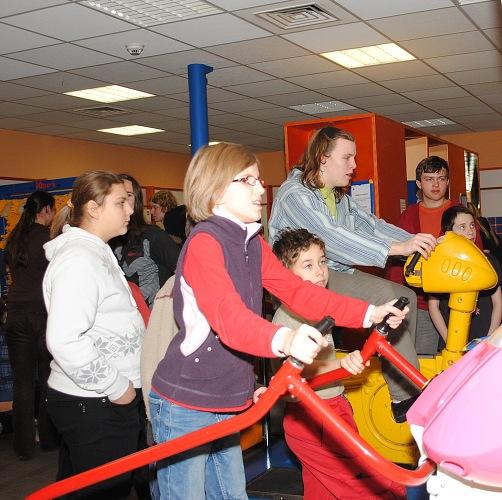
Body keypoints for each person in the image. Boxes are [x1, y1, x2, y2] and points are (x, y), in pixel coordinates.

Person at [149, 142, 408, 500]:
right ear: (215, 189)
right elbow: (228, 317)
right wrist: (285, 339)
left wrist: (368, 313)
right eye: (248, 180)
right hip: (185, 402)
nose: (260, 189)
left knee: (231, 496)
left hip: (225, 398)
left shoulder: (251, 243)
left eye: (259, 180)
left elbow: (299, 292)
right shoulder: (205, 243)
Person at [269, 126, 436, 423]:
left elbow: (372, 226)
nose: (354, 165)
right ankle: (405, 396)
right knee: (388, 297)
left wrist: (416, 241)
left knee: (406, 297)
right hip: (301, 281)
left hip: (329, 271)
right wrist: (397, 248)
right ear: (323, 158)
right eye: (347, 158)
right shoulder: (295, 194)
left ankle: (407, 377)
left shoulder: (338, 197)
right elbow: (331, 237)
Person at [269, 227, 405, 499]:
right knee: (374, 486)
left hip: (335, 406)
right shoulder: (286, 320)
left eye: (322, 262)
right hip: (311, 418)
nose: (320, 271)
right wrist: (344, 365)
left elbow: (357, 313)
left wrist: (381, 316)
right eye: (308, 265)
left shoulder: (320, 307)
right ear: (286, 275)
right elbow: (297, 373)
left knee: (323, 492)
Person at [44, 171, 145, 499]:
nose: (130, 209)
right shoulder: (78, 259)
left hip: (100, 400)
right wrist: (117, 387)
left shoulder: (95, 251)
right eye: (120, 203)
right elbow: (64, 339)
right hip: (95, 400)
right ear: (93, 209)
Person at [388, 156, 477, 355]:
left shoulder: (461, 213)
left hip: (458, 303)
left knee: (461, 359)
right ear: (419, 183)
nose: (436, 185)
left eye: (441, 179)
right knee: (425, 358)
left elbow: (476, 255)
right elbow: (396, 265)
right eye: (429, 179)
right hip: (421, 303)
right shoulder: (408, 217)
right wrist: (396, 298)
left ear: (447, 182)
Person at [3, 190, 58, 460]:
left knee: (22, 383)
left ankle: (23, 447)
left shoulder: (14, 238)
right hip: (41, 314)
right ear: (45, 210)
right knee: (47, 379)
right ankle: (48, 439)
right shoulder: (48, 239)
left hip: (15, 315)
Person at [429, 205, 502, 348]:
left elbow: (498, 303)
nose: (470, 231)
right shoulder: (439, 264)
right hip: (451, 340)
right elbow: (433, 307)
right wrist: (449, 340)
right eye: (462, 227)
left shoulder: (489, 261)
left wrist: (489, 338)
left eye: (472, 225)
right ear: (449, 233)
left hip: (484, 338)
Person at [111, 174, 180, 307]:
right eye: (116, 194)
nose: (122, 199)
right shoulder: (106, 240)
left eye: (128, 194)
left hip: (154, 315)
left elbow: (187, 276)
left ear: (136, 200)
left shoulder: (154, 236)